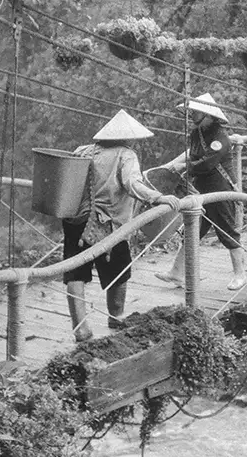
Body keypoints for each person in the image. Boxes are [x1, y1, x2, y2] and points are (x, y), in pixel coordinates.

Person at [62, 109, 180, 342]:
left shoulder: (82, 151)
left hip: (76, 221)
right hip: (109, 224)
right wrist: (158, 197)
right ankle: (116, 316)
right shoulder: (126, 155)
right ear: (127, 137)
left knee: (75, 272)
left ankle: (81, 329)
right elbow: (132, 183)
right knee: (119, 271)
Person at [156, 93, 247, 290]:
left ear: (209, 115)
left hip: (221, 190)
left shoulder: (220, 137)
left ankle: (240, 274)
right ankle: (177, 273)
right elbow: (194, 156)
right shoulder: (195, 135)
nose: (194, 115)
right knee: (192, 231)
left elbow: (206, 163)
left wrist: (184, 167)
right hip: (201, 191)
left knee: (227, 231)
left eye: (198, 112)